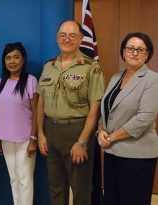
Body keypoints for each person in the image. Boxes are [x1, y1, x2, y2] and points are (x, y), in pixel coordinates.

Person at [37, 20, 104, 205]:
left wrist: (82, 141)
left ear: (81, 39)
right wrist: (41, 134)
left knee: (81, 188)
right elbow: (41, 102)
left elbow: (94, 108)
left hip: (77, 131)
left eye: (72, 35)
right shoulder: (49, 66)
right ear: (57, 38)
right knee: (55, 187)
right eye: (62, 35)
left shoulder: (91, 67)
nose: (67, 39)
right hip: (51, 131)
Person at [97, 32, 158, 205]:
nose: (134, 52)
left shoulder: (153, 80)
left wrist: (111, 137)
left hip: (137, 157)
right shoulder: (117, 77)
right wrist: (101, 130)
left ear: (147, 55)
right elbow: (106, 111)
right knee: (111, 200)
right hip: (111, 153)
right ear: (123, 52)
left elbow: (144, 118)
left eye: (140, 49)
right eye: (130, 48)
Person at [0, 42, 38, 205]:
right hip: (5, 140)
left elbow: (36, 113)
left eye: (16, 57)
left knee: (25, 180)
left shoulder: (31, 81)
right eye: (8, 58)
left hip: (25, 139)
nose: (12, 61)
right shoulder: (0, 83)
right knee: (13, 179)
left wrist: (33, 138)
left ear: (23, 60)